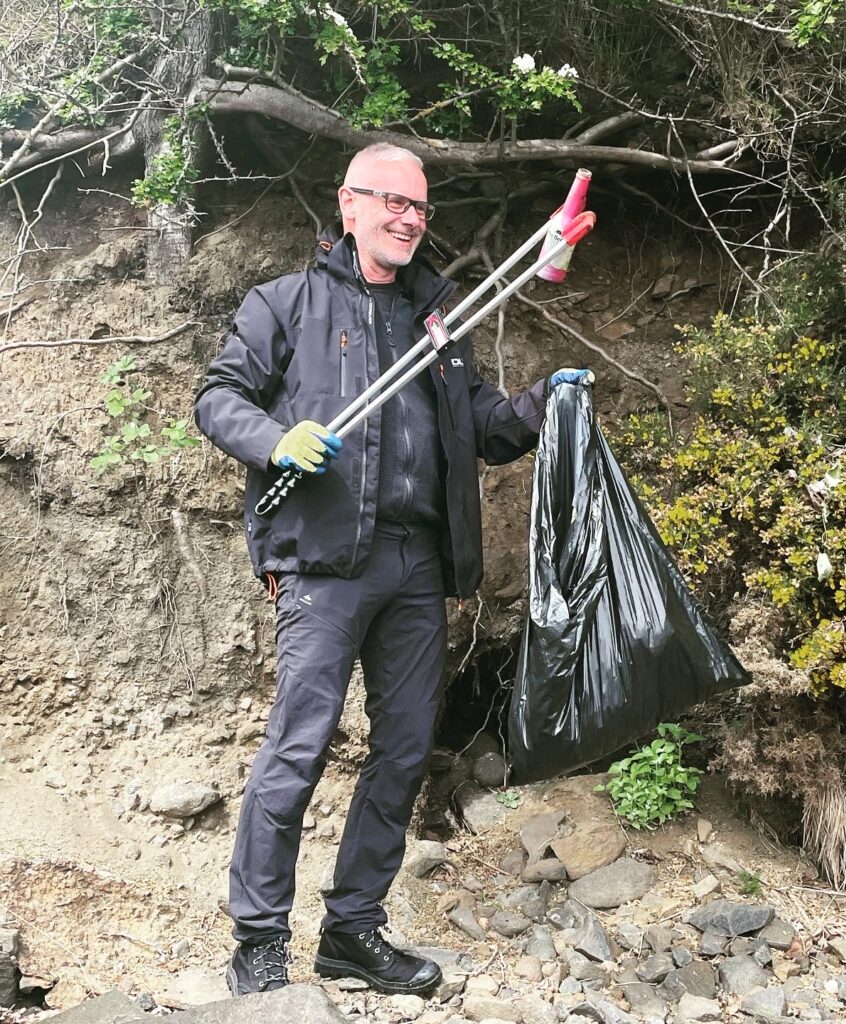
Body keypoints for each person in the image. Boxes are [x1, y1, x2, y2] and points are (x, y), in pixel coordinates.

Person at [194, 142, 593, 998]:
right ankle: (259, 938)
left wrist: (544, 402)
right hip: (323, 562)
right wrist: (276, 439)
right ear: (349, 205)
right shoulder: (286, 303)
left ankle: (352, 930)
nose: (408, 219)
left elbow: (484, 429)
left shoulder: (437, 320)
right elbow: (218, 397)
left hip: (416, 565)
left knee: (405, 749)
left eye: (419, 207)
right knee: (299, 746)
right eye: (392, 202)